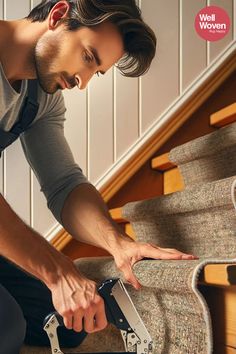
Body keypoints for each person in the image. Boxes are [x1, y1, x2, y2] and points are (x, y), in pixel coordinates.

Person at [0, 0, 197, 352]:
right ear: (58, 16)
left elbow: (65, 185)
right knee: (6, 326)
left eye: (96, 72)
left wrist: (118, 244)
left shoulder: (41, 98)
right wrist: (57, 271)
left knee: (68, 324)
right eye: (89, 58)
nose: (82, 83)